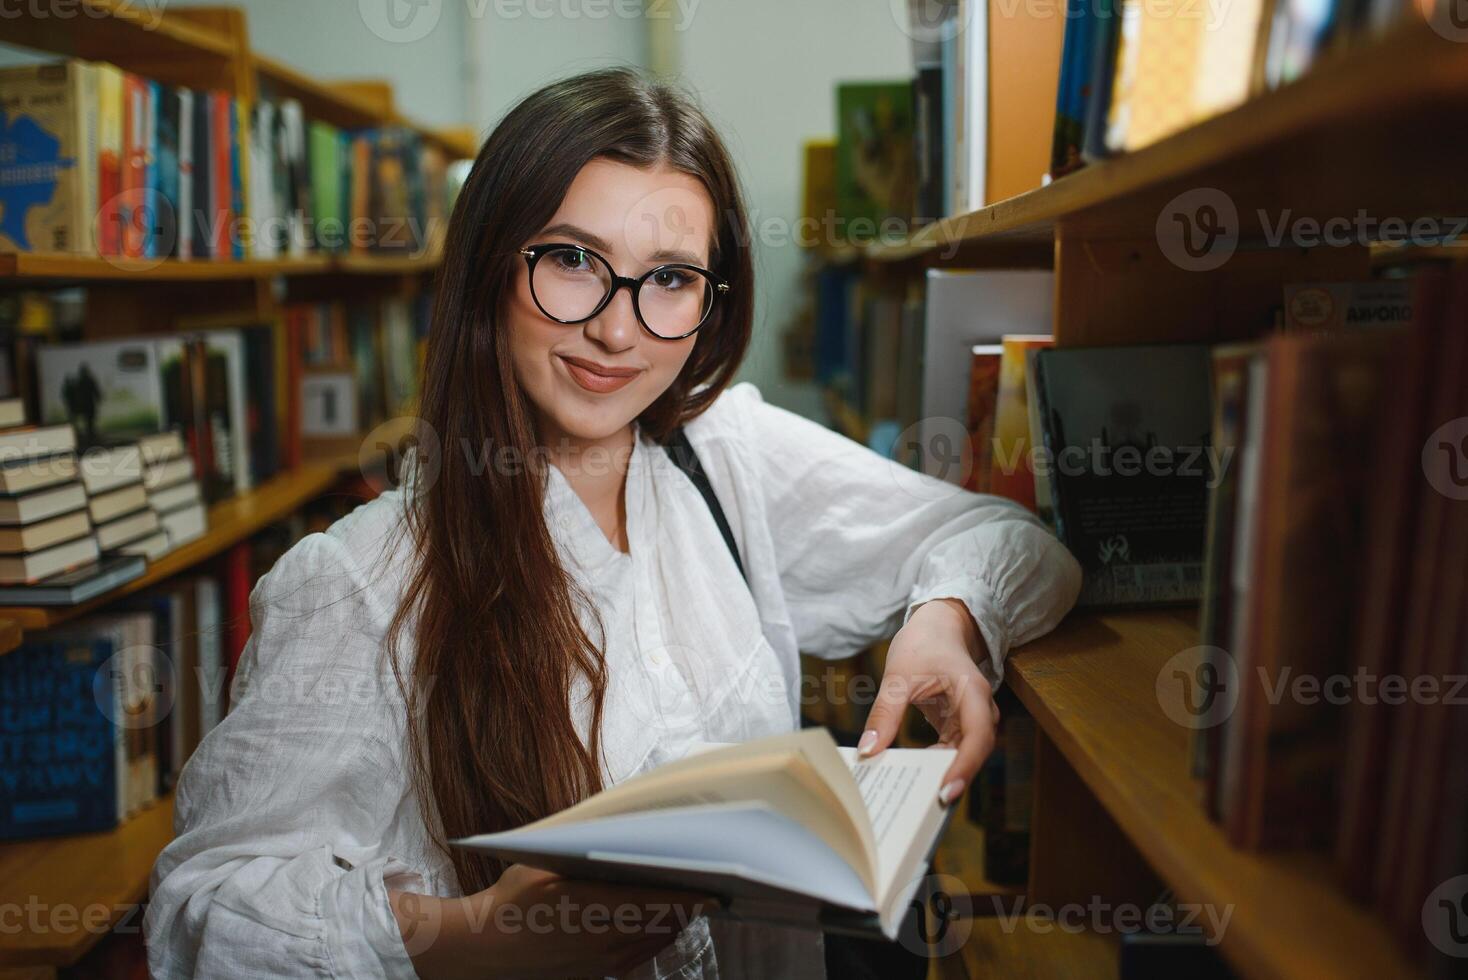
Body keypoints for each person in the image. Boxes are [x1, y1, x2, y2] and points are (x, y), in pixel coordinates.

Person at [145, 67, 1081, 979]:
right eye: (571, 261)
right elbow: (203, 917)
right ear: (489, 268)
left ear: (712, 305)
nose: (618, 330)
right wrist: (469, 940)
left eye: (670, 279)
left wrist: (945, 617)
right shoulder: (360, 579)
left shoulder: (727, 454)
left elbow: (1015, 543)